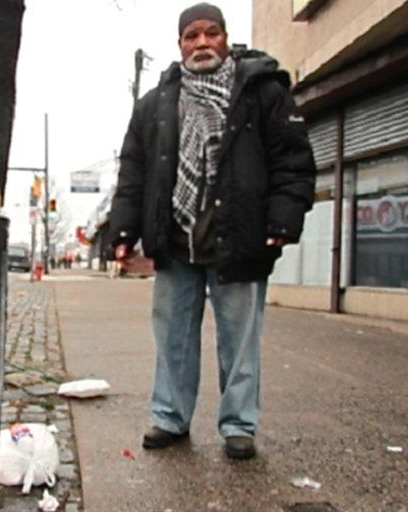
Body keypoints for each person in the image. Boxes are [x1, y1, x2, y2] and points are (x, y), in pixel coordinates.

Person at [108, 2, 316, 459]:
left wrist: (283, 220)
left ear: (225, 37)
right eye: (191, 36)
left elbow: (292, 160)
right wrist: (122, 231)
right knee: (173, 339)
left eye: (211, 33)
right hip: (175, 240)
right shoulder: (155, 104)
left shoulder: (262, 91)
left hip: (239, 238)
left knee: (240, 342)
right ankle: (169, 416)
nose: (201, 43)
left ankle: (239, 424)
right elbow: (134, 174)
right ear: (179, 44)